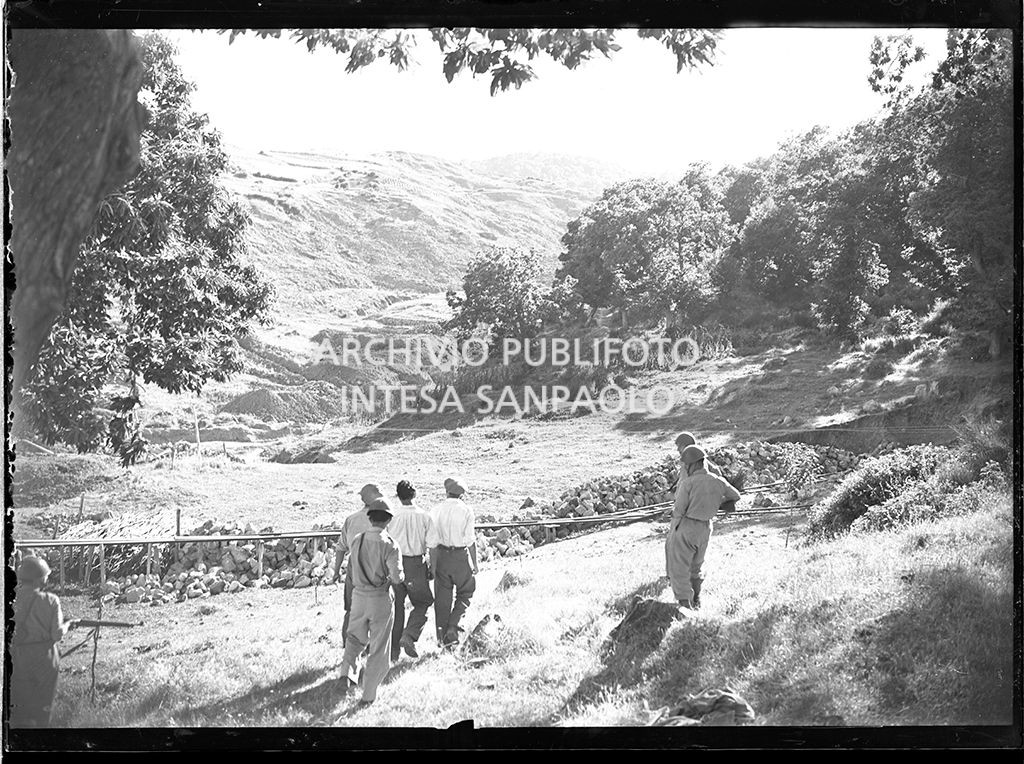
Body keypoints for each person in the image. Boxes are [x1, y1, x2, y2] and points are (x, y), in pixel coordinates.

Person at [338, 499, 404, 707]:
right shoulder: (390, 545)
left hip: (358, 596)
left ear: (370, 517)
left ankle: (346, 673)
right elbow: (397, 577)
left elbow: (351, 567)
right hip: (379, 598)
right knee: (379, 647)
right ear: (388, 520)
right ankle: (368, 695)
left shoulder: (357, 540)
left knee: (354, 639)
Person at [667, 445, 741, 611]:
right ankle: (697, 600)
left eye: (686, 465)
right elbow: (736, 496)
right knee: (696, 567)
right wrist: (717, 503)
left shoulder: (688, 483)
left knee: (679, 568)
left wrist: (672, 521)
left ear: (692, 464)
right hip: (706, 528)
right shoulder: (718, 480)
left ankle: (685, 606)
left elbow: (679, 511)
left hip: (687, 527)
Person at [10, 555, 79, 727]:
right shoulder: (50, 600)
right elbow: (56, 634)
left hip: (17, 657)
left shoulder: (10, 599)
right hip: (44, 658)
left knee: (19, 706)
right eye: (45, 576)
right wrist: (68, 624)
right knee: (42, 707)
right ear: (39, 579)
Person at [426, 477, 478, 648]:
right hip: (460, 556)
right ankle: (454, 625)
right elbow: (470, 540)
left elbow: (432, 542)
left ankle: (442, 640)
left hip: (441, 556)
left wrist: (433, 565)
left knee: (442, 600)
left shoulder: (436, 510)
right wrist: (475, 563)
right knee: (466, 591)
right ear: (462, 495)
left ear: (446, 492)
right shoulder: (466, 511)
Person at [330, 483, 384, 645]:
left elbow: (341, 547)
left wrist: (336, 571)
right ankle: (372, 646)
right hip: (375, 566)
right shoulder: (383, 519)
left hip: (354, 567)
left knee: (352, 609)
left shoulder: (351, 519)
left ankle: (348, 645)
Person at [387, 480, 435, 660]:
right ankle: (409, 634)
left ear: (398, 496)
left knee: (397, 606)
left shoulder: (393, 516)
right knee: (423, 602)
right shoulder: (424, 516)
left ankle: (393, 652)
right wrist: (431, 566)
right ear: (415, 494)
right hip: (415, 563)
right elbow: (432, 544)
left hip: (395, 562)